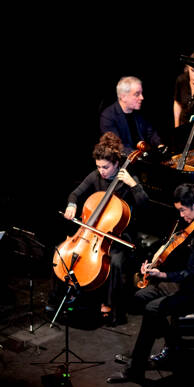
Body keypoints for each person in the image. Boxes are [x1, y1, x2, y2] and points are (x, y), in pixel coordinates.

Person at [107, 182, 194, 384]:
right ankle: (172, 346)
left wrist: (161, 275)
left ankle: (136, 369)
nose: (181, 216)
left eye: (183, 210)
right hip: (193, 283)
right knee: (139, 297)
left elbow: (191, 274)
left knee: (153, 309)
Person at [60, 131, 149, 325]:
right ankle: (69, 298)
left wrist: (133, 185)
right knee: (64, 253)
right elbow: (75, 194)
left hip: (120, 235)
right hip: (93, 233)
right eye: (98, 166)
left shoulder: (129, 177)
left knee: (115, 262)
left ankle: (110, 306)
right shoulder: (95, 176)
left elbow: (145, 205)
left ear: (117, 163)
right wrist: (72, 205)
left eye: (106, 167)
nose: (101, 171)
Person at [99, 76, 164, 155]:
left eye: (141, 93)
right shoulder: (108, 116)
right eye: (137, 94)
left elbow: (151, 133)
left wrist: (160, 145)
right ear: (123, 97)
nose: (142, 97)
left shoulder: (139, 111)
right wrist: (139, 156)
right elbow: (117, 147)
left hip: (144, 155)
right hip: (127, 161)